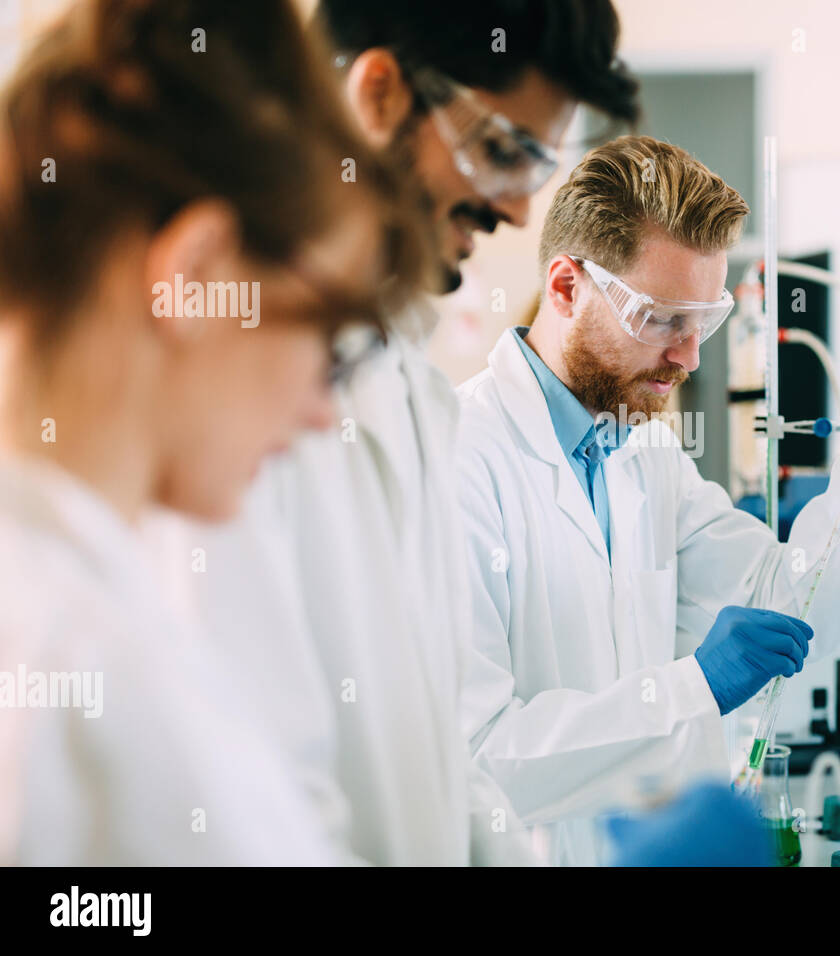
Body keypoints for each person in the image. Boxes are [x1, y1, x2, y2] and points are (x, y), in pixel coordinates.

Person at [144, 0, 649, 865]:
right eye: (502, 153)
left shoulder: (415, 389)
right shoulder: (233, 371)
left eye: (540, 166)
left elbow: (439, 761)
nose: (521, 212)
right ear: (378, 95)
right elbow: (247, 809)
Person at [0, 0, 426, 864]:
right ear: (194, 276)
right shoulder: (79, 673)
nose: (323, 411)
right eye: (327, 338)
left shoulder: (79, 597)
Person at [454, 136, 840, 865]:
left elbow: (790, 603)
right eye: (661, 318)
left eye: (703, 321)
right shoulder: (459, 456)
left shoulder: (644, 450)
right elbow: (475, 758)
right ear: (566, 287)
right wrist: (692, 688)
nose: (688, 357)